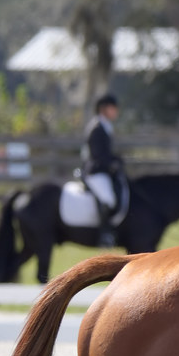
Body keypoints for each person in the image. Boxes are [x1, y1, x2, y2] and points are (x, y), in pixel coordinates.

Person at [81, 92, 124, 248]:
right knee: (108, 199)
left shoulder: (105, 126)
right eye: (113, 108)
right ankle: (104, 234)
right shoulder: (96, 128)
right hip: (95, 171)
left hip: (103, 170)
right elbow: (98, 154)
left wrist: (116, 160)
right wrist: (111, 163)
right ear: (103, 109)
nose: (116, 111)